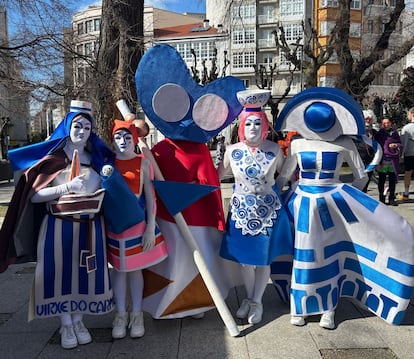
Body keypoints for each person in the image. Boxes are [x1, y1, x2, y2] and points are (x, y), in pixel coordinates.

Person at [275, 87, 414, 329]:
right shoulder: (297, 144)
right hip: (303, 204)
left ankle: (328, 308)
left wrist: (349, 200)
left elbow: (360, 176)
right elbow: (285, 175)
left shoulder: (345, 144)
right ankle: (300, 306)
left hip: (329, 204)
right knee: (302, 253)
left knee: (331, 254)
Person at [0, 101, 115, 349]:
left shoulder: (97, 157)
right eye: (77, 125)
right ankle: (66, 324)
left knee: (87, 272)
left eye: (87, 126)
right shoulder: (54, 159)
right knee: (60, 274)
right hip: (58, 227)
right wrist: (65, 187)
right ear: (67, 126)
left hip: (90, 227)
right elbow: (33, 195)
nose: (82, 130)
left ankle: (78, 320)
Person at [217, 90, 293, 325]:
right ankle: (250, 299)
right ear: (241, 126)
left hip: (268, 211)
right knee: (243, 260)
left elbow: (286, 173)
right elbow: (215, 176)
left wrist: (278, 188)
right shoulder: (232, 151)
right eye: (248, 122)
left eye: (257, 122)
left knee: (263, 259)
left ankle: (256, 301)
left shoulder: (274, 150)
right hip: (241, 211)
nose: (252, 126)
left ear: (265, 125)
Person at [107, 119, 167, 339]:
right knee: (120, 270)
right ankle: (120, 314)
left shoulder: (143, 163)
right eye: (118, 137)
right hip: (114, 226)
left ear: (134, 139)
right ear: (112, 140)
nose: (122, 141)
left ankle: (137, 314)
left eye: (126, 137)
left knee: (135, 270)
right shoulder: (107, 162)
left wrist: (151, 226)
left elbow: (151, 196)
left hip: (137, 224)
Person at [373, 118, 402, 205]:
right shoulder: (379, 134)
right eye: (384, 123)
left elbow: (400, 144)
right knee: (381, 180)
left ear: (391, 123)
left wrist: (396, 145)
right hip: (383, 160)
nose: (386, 124)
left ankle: (391, 198)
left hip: (392, 161)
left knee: (392, 180)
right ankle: (381, 198)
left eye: (388, 123)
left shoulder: (395, 133)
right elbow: (375, 145)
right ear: (382, 124)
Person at [397, 107, 414, 201]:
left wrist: (400, 155)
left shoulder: (407, 128)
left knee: (408, 174)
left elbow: (404, 143)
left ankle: (406, 194)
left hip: (410, 154)